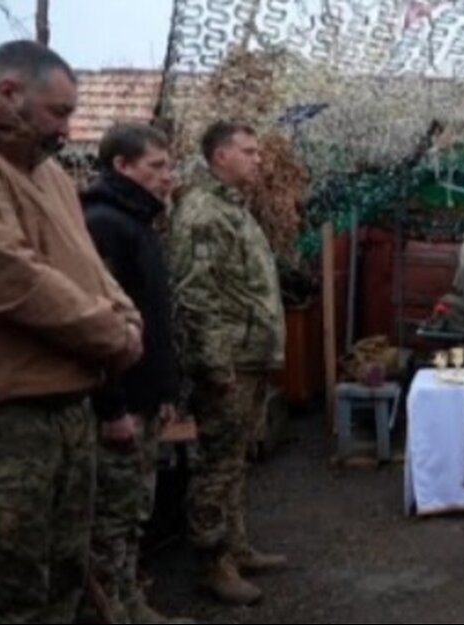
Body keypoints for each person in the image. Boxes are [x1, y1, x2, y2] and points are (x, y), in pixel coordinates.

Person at [0, 40, 143, 623]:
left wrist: (124, 314)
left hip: (66, 407)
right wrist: (112, 334)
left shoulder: (48, 170)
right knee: (4, 597)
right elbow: (6, 275)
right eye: (59, 112)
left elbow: (84, 264)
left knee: (63, 583)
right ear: (10, 94)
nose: (69, 126)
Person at [170, 120, 287, 606]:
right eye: (249, 151)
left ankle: (235, 548)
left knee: (235, 459)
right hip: (229, 363)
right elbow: (195, 297)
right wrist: (216, 367)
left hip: (250, 356)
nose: (258, 159)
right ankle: (211, 564)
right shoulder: (203, 213)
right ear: (220, 156)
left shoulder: (233, 209)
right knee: (216, 466)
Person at [83, 122, 192, 623]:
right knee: (112, 516)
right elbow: (96, 327)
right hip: (119, 403)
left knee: (134, 511)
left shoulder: (141, 223)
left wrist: (165, 389)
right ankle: (114, 609)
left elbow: (152, 316)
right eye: (157, 167)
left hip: (144, 398)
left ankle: (131, 603)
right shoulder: (105, 224)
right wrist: (114, 406)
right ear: (121, 167)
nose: (168, 177)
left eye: (169, 166)